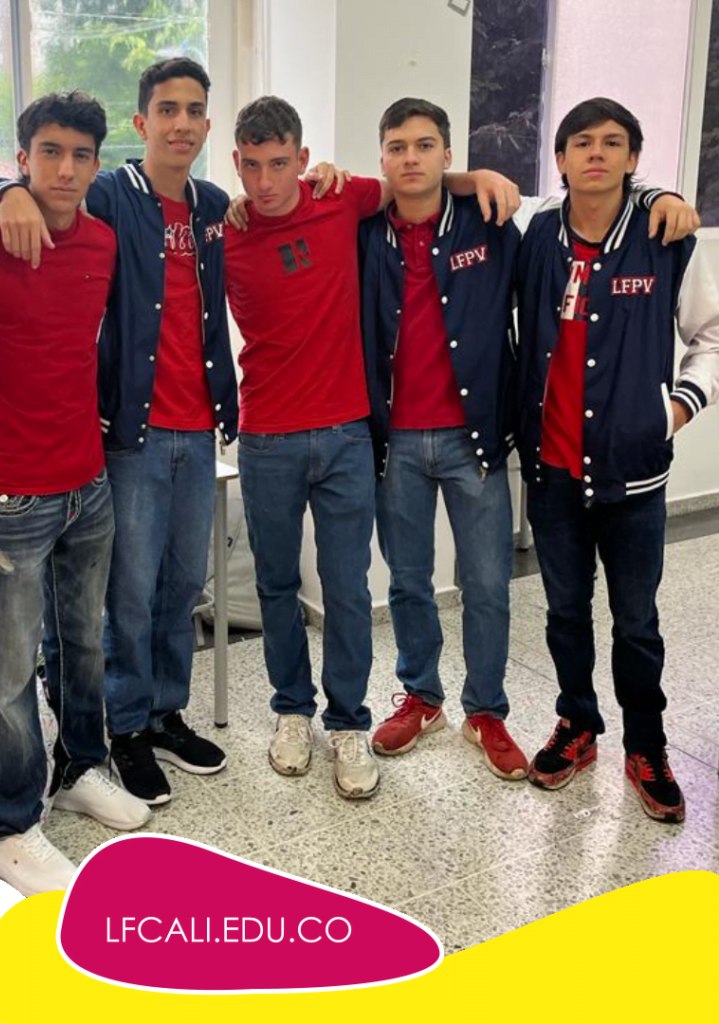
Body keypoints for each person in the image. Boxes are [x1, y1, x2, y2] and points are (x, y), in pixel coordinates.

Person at [360, 98, 698, 782]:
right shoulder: (367, 233)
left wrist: (675, 409)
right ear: (383, 158)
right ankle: (423, 696)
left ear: (447, 153)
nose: (411, 158)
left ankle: (487, 710)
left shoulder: (495, 226)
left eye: (426, 145)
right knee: (409, 582)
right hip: (398, 442)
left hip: (479, 440)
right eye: (397, 147)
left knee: (491, 584)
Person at [225, 96, 517, 797]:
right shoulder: (230, 229)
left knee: (357, 588)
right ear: (235, 163)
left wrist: (475, 177)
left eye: (279, 163)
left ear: (302, 158)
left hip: (355, 434)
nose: (265, 181)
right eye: (251, 166)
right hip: (282, 437)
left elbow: (417, 184)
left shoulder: (348, 201)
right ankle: (296, 710)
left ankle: (356, 720)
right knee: (284, 585)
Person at [0, 58, 237, 807]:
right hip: (131, 433)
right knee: (131, 594)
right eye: (167, 109)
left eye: (195, 110)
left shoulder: (214, 206)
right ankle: (125, 728)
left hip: (199, 429)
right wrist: (4, 190)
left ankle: (165, 712)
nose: (182, 123)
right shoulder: (112, 193)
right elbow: (11, 185)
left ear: (207, 124)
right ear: (143, 122)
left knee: (183, 586)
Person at [0, 92, 150, 895]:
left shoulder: (99, 241)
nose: (66, 169)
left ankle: (82, 767)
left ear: (97, 164)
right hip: (12, 497)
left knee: (83, 643)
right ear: (22, 158)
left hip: (86, 482)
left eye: (81, 155)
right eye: (49, 153)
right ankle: (6, 826)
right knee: (8, 672)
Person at [517, 98, 719, 823]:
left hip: (634, 475)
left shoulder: (667, 238)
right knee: (564, 613)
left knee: (636, 622)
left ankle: (647, 746)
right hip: (553, 472)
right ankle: (577, 724)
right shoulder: (540, 236)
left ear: (633, 159)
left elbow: (712, 335)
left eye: (612, 143)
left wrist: (675, 409)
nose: (595, 154)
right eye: (581, 143)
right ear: (561, 159)